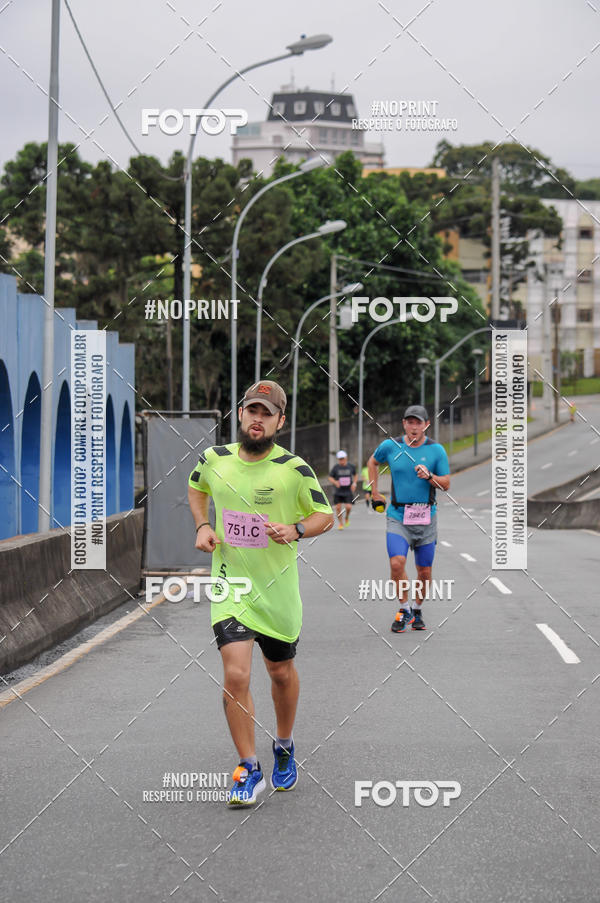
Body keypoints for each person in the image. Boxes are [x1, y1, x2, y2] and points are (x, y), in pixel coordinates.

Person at [188, 379, 334, 806]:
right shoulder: (214, 459)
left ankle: (284, 744)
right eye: (252, 410)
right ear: (240, 414)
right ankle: (248, 769)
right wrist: (202, 524)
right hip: (231, 584)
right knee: (236, 674)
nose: (257, 419)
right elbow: (196, 487)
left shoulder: (294, 469)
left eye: (266, 413)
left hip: (278, 592)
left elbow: (325, 515)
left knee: (280, 673)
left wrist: (296, 529)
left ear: (280, 421)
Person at [367, 405, 450, 633]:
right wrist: (374, 492)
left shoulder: (436, 451)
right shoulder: (391, 446)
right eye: (410, 422)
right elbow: (372, 462)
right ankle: (404, 609)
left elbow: (446, 484)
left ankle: (417, 609)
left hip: (425, 517)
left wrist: (430, 476)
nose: (414, 427)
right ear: (404, 423)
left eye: (418, 423)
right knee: (396, 563)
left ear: (426, 425)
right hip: (398, 516)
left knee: (424, 572)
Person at [328, 450, 357, 529]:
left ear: (346, 458)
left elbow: (355, 475)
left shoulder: (351, 466)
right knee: (338, 508)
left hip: (348, 490)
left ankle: (346, 518)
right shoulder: (336, 467)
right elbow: (330, 477)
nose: (341, 460)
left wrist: (354, 483)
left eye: (342, 459)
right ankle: (341, 523)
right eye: (340, 459)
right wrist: (335, 482)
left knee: (348, 507)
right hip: (338, 491)